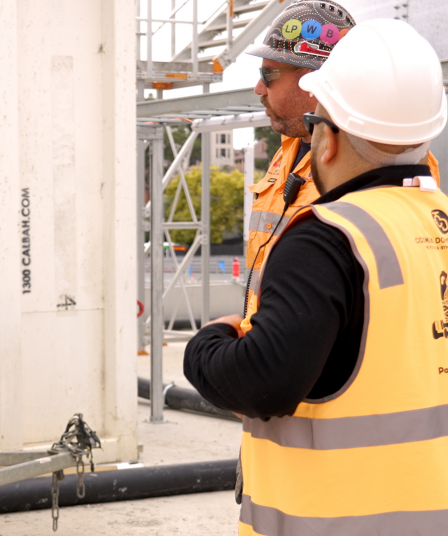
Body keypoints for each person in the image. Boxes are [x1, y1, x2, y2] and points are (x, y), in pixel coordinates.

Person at [184, 19, 448, 534]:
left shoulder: (329, 235)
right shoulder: (435, 217)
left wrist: (209, 343)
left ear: (325, 143)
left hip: (334, 511)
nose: (259, 88)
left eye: (269, 73)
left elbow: (265, 381)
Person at [243, 0, 440, 313]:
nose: (258, 88)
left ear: (314, 80)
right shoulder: (290, 149)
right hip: (273, 342)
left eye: (268, 75)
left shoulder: (386, 161)